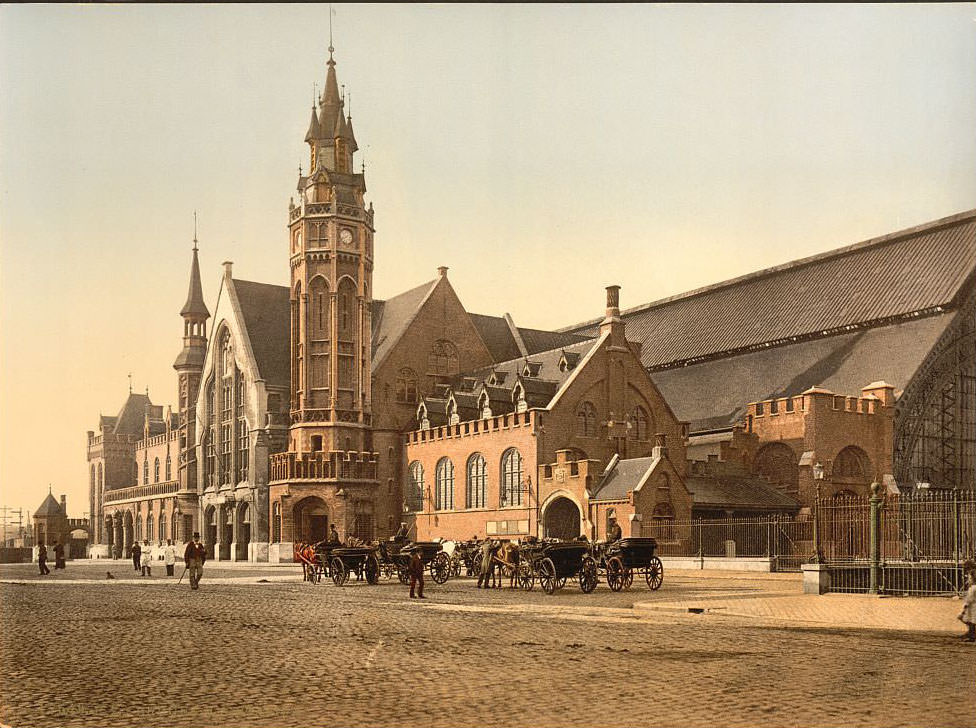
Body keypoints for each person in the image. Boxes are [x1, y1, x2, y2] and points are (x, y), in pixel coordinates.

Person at [960, 567, 976, 643]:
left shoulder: (973, 588)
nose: (968, 580)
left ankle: (972, 635)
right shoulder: (973, 587)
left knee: (971, 621)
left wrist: (965, 607)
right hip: (972, 606)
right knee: (971, 621)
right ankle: (970, 633)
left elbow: (969, 599)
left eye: (969, 578)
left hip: (972, 607)